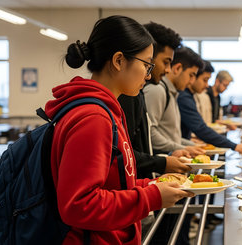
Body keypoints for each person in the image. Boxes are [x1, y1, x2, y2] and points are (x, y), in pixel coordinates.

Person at [47, 15, 192, 244]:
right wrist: (150, 197)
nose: (147, 74)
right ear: (118, 61)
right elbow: (79, 205)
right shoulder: (93, 118)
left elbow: (113, 183)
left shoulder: (107, 111)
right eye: (146, 64)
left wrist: (153, 184)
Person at [118, 21, 191, 179]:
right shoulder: (127, 96)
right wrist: (162, 163)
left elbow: (138, 149)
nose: (167, 70)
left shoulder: (137, 92)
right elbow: (122, 158)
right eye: (165, 62)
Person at [178, 60, 242, 156]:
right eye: (205, 80)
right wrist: (234, 146)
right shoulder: (191, 96)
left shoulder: (190, 95)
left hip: (192, 142)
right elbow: (200, 126)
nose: (207, 85)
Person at [144, 46, 205, 155]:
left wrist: (192, 146)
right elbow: (150, 133)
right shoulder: (157, 90)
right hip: (161, 165)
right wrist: (183, 148)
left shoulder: (171, 92)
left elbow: (171, 137)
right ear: (177, 68)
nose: (191, 82)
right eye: (191, 75)